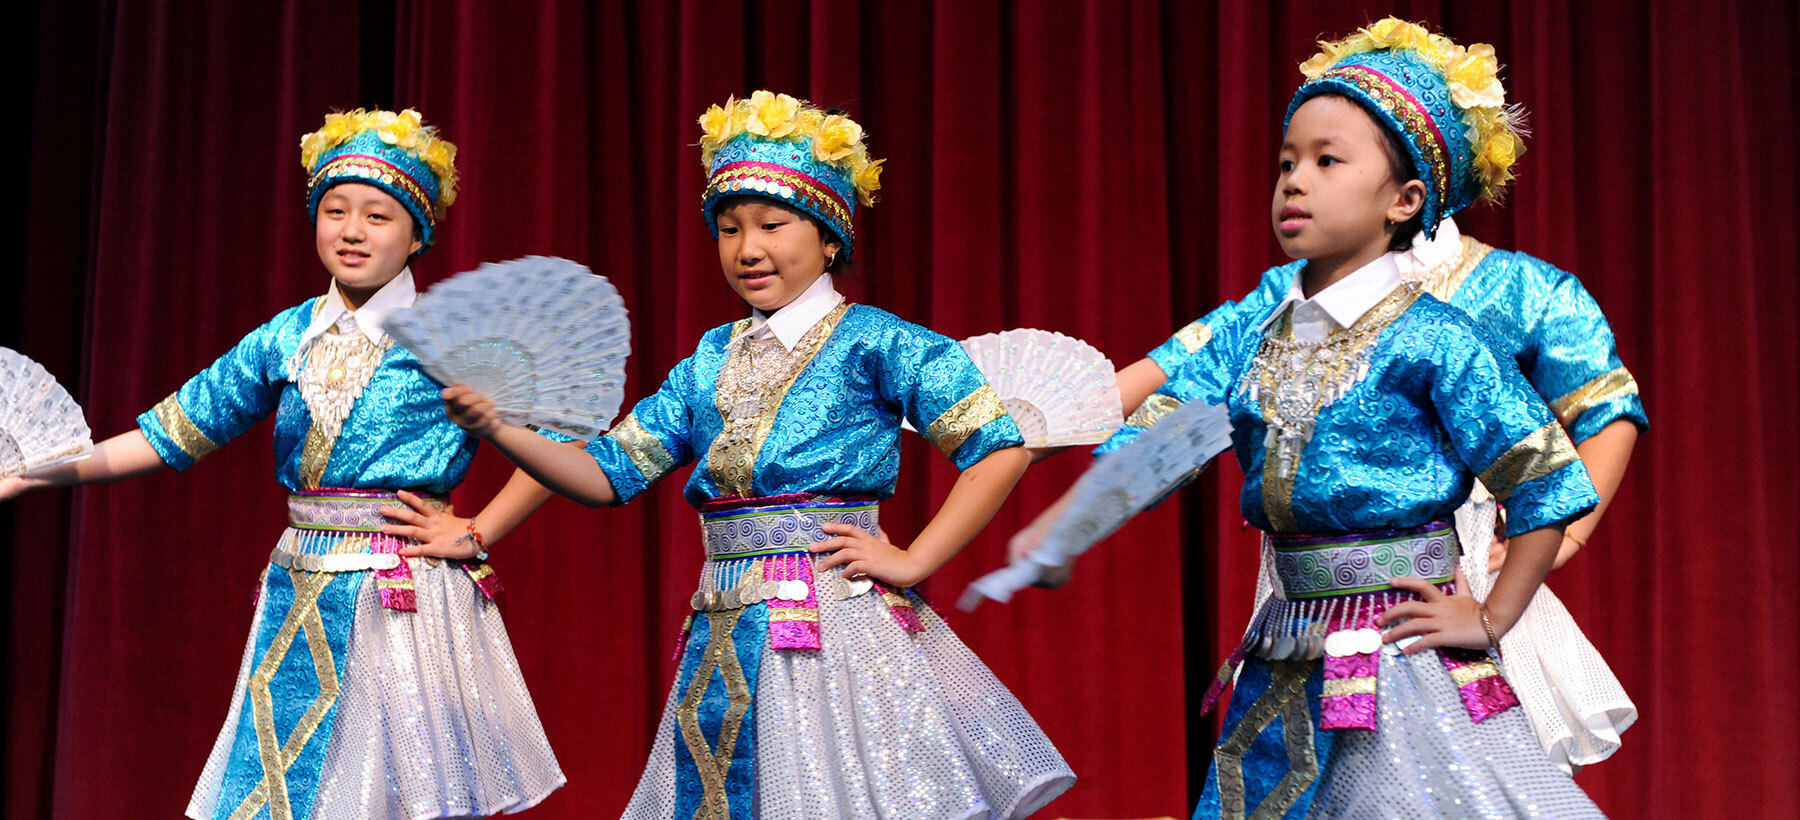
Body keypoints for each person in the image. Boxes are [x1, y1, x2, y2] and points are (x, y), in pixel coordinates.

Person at [438, 91, 1075, 820]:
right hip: (724, 622)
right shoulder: (709, 358)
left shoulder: (878, 341)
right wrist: (499, 428)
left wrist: (916, 559)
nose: (748, 248)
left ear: (829, 236)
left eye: (773, 224)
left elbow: (997, 447)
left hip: (833, 623)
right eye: (730, 228)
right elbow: (608, 475)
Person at [1033, 20, 1607, 816]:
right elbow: (1175, 435)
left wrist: (1489, 613)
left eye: (1327, 162)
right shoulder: (1259, 333)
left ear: (1405, 200)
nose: (1294, 182)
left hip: (1400, 647)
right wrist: (1071, 521)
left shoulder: (1437, 338)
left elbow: (1546, 476)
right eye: (1286, 163)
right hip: (1286, 633)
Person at [0, 108, 566, 819]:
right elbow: (173, 431)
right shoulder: (286, 337)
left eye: (378, 215)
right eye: (335, 211)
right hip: (299, 584)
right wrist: (35, 471)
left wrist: (479, 529)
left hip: (401, 592)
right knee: (283, 790)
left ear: (418, 232)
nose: (352, 231)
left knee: (396, 794)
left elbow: (562, 441)